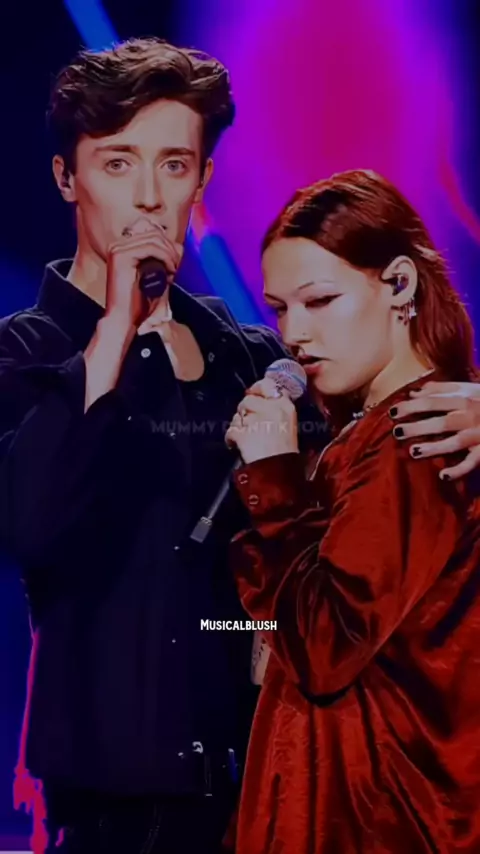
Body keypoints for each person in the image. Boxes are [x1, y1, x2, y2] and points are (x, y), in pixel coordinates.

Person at [0, 37, 326, 854]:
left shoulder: (247, 355)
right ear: (66, 178)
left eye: (173, 165)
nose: (148, 197)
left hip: (257, 794)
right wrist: (117, 327)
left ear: (201, 180)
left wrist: (464, 406)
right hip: (101, 810)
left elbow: (357, 503)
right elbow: (29, 527)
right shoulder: (25, 355)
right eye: (118, 164)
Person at [225, 169, 480, 853]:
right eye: (280, 309)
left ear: (399, 284)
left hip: (372, 818)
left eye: (319, 301)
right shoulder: (364, 435)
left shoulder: (417, 437)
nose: (294, 334)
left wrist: (275, 483)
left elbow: (325, 647)